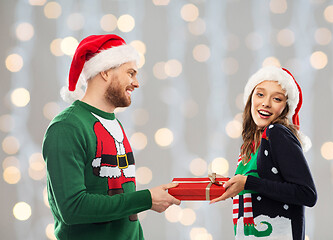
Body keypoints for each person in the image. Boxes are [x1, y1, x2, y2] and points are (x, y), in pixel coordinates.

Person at [42, 34, 181, 240]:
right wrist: (146, 199)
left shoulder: (115, 124)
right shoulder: (67, 127)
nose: (136, 83)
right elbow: (72, 208)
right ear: (105, 71)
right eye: (131, 73)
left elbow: (127, 212)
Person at [211, 66, 317, 239]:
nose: (266, 103)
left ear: (286, 107)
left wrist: (248, 183)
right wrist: (229, 186)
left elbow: (307, 194)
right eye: (260, 94)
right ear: (250, 98)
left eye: (276, 98)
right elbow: (259, 195)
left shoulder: (276, 133)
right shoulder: (250, 146)